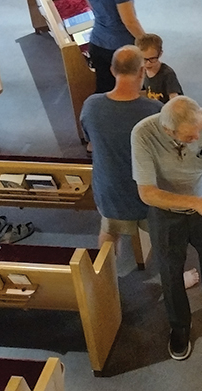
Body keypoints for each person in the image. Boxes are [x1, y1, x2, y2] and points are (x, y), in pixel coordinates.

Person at [133, 95, 202, 360]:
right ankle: (180, 325)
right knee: (171, 271)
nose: (197, 139)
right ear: (168, 131)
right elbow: (147, 193)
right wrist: (196, 203)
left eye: (198, 133)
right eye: (188, 137)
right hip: (167, 213)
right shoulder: (142, 134)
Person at [80, 45, 161, 263]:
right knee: (163, 235)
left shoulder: (91, 106)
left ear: (112, 70)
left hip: (109, 190)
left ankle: (107, 279)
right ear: (142, 71)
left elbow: (90, 142)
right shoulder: (154, 110)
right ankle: (175, 278)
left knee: (108, 232)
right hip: (146, 192)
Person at [136, 33, 183, 102]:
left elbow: (174, 98)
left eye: (152, 59)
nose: (148, 63)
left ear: (160, 54)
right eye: (144, 59)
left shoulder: (167, 74)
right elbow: (145, 91)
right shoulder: (143, 71)